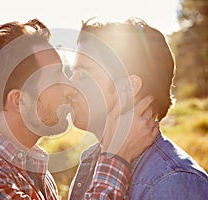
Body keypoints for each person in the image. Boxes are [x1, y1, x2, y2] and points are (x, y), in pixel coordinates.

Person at [0, 19, 156, 200]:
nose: (69, 85)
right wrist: (116, 157)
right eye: (56, 76)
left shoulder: (28, 166)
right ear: (19, 100)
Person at [69, 18, 208, 199]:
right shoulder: (91, 163)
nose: (69, 85)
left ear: (128, 89)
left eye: (83, 74)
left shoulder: (175, 182)